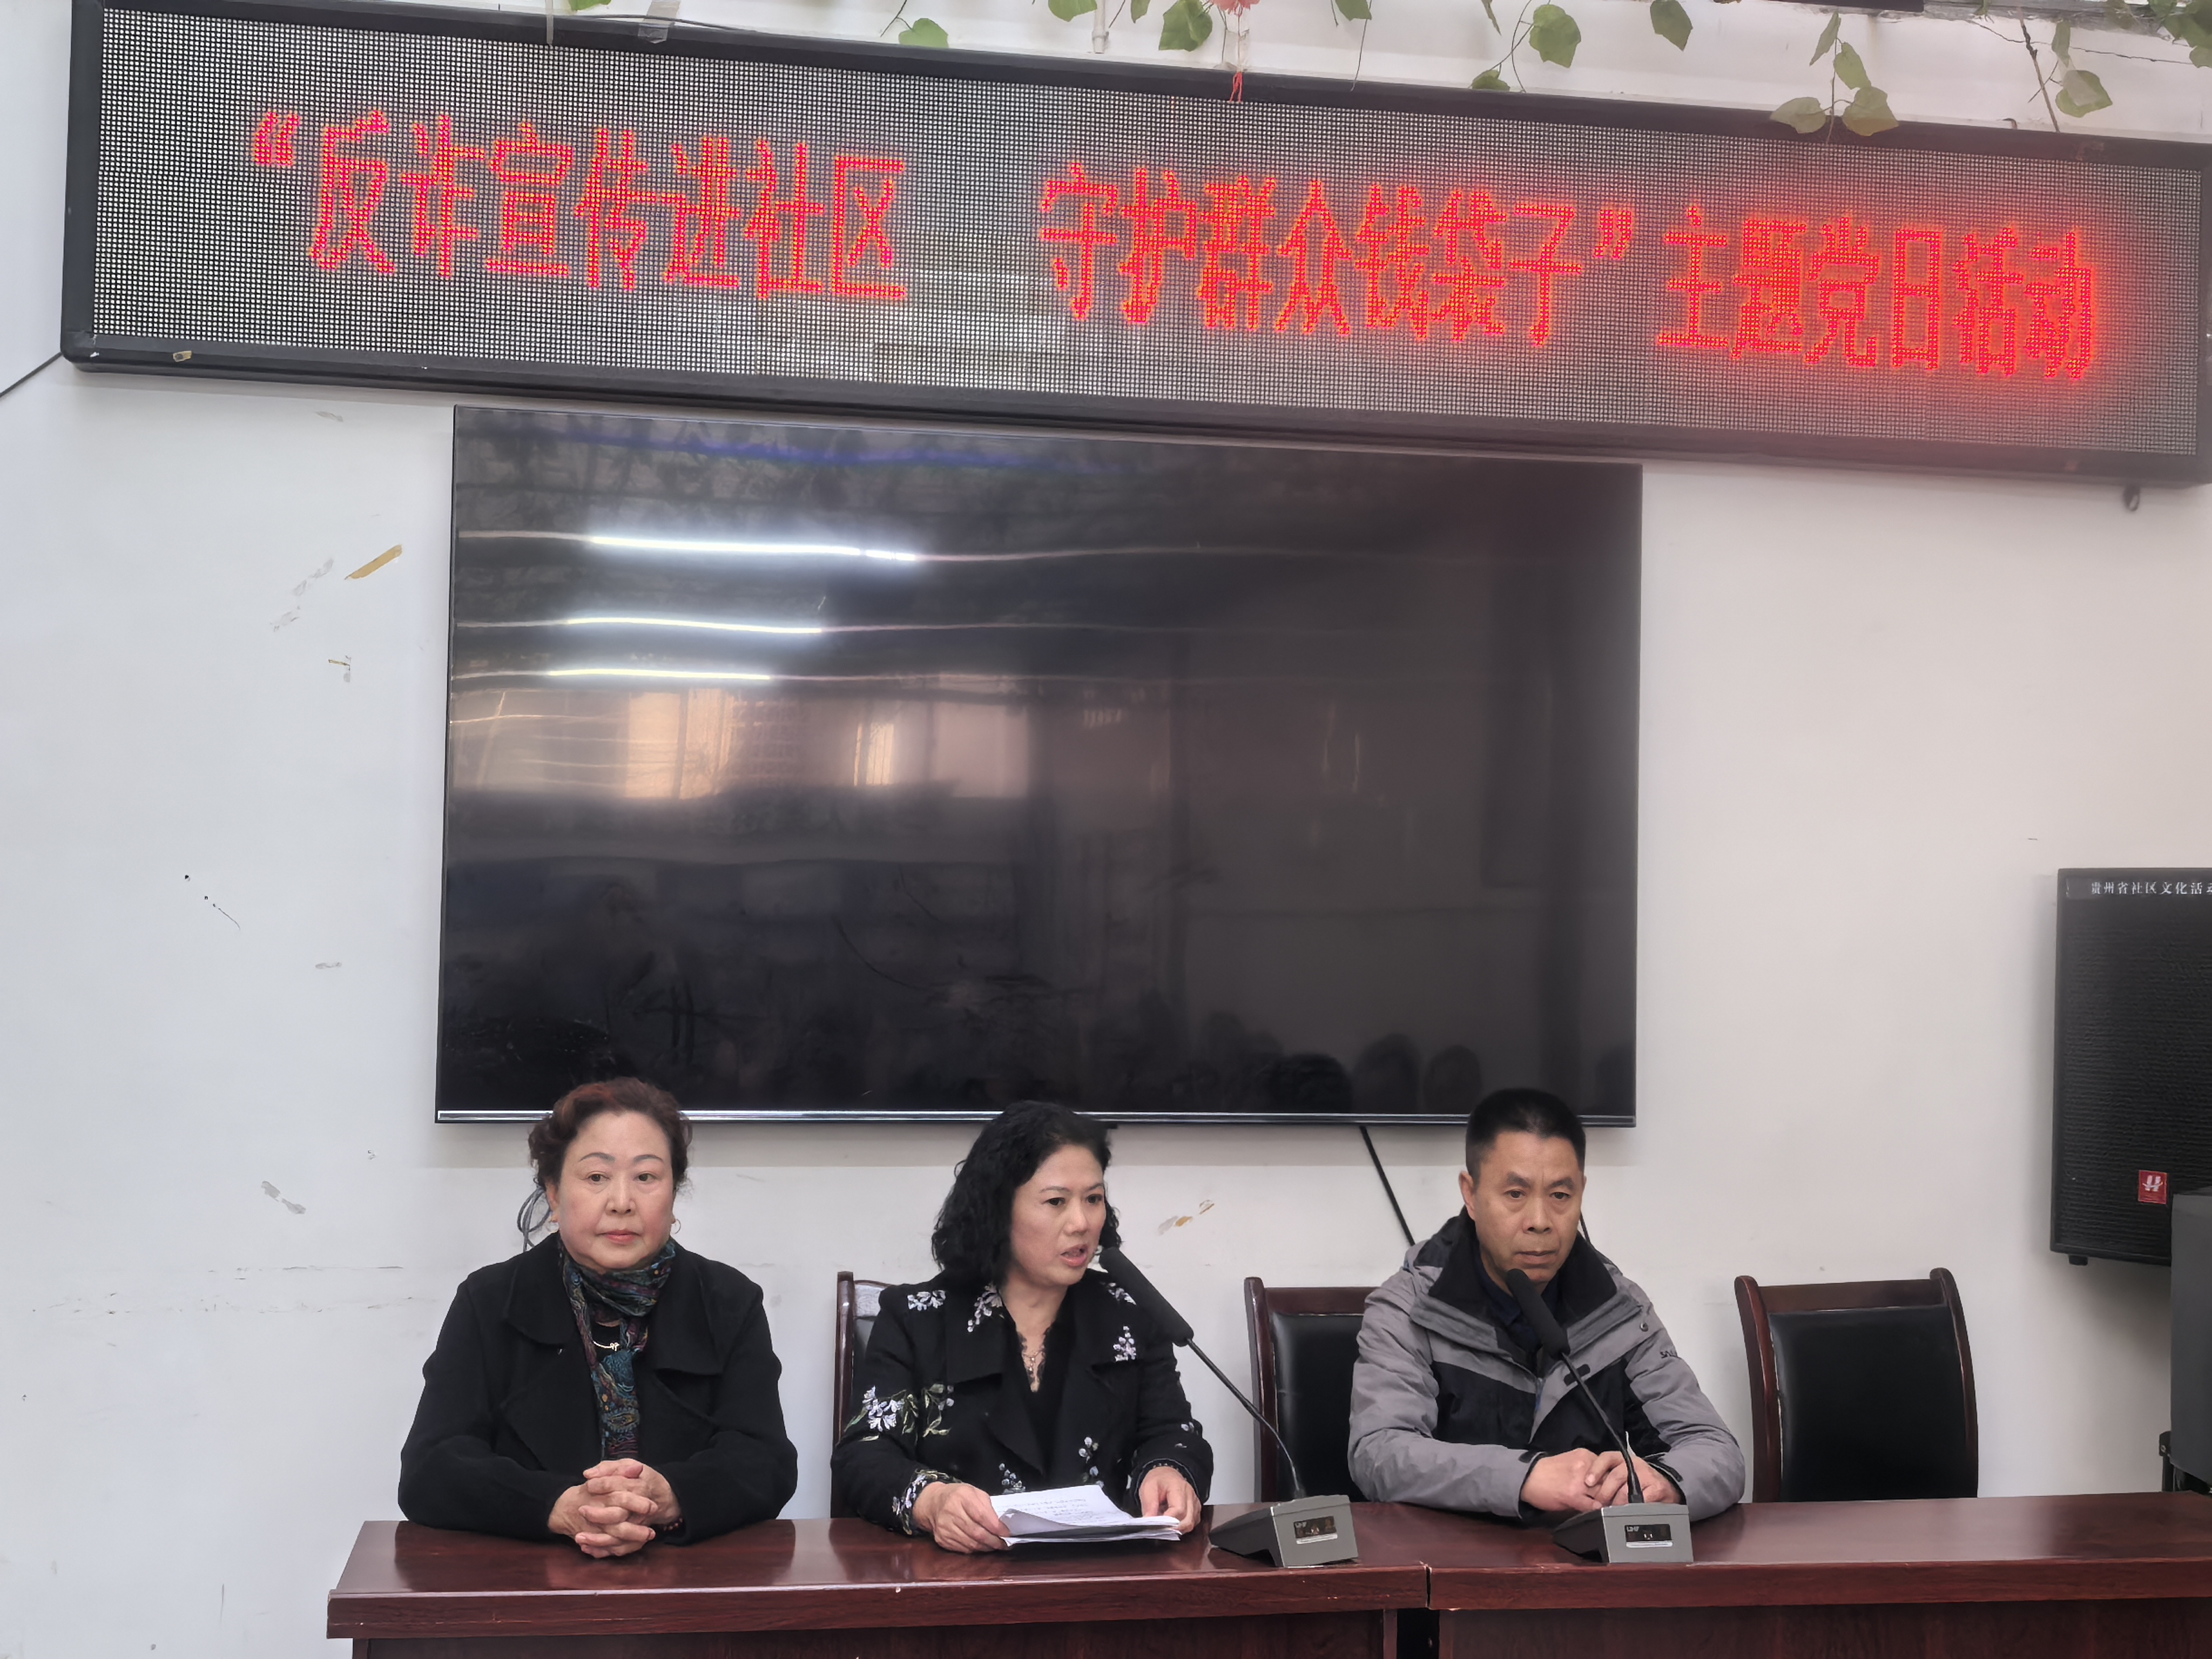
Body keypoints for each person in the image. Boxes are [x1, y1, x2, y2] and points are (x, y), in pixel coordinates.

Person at [399, 1078, 798, 1555]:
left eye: (646, 1177)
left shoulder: (727, 1301)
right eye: (596, 1177)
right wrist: (560, 1506)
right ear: (553, 1193)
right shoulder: (490, 1302)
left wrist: (668, 1497)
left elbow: (766, 1461)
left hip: (686, 1577)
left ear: (674, 1193)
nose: (622, 1202)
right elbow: (431, 1467)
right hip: (528, 1579)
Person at [831, 1101, 1213, 1550]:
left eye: (1093, 1199)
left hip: (1100, 1571)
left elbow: (1172, 1433)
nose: (1082, 1223)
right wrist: (930, 1502)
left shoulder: (1129, 1313)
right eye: (1056, 1202)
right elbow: (865, 1454)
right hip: (959, 1573)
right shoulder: (917, 1318)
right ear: (999, 1209)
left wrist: (1168, 1470)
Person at [1348, 1089, 1743, 1521]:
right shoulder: (1410, 1307)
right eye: (1515, 1194)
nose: (1539, 1222)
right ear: (1471, 1194)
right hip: (1451, 1553)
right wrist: (1524, 1477)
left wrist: (1667, 1483)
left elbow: (1715, 1450)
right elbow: (1379, 1454)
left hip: (1586, 1554)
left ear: (1581, 1193)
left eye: (1560, 1196)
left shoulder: (1619, 1308)